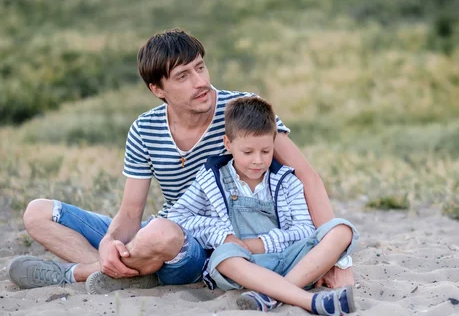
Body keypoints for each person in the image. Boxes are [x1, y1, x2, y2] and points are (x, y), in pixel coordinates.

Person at [7, 28, 354, 293]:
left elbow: (307, 176)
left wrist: (337, 258)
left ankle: (75, 273)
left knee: (161, 235)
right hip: (165, 228)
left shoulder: (242, 110)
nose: (201, 82)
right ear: (158, 89)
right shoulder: (144, 128)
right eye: (183, 76)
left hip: (205, 247)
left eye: (200, 68)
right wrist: (112, 243)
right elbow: (130, 214)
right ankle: (125, 272)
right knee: (38, 212)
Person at [168, 96, 358, 316]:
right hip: (244, 266)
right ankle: (305, 299)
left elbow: (305, 229)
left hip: (289, 261)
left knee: (341, 230)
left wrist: (259, 244)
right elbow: (177, 217)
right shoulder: (212, 179)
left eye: (266, 151)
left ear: (274, 142)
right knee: (223, 256)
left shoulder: (286, 181)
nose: (257, 160)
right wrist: (223, 236)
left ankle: (271, 296)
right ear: (228, 144)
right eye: (248, 152)